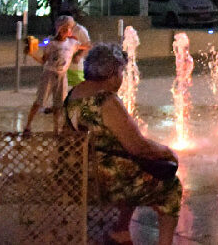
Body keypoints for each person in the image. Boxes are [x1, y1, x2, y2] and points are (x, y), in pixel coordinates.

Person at [66, 44, 181, 245]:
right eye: (121, 72)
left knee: (135, 169)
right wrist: (167, 152)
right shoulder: (106, 100)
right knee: (171, 187)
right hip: (105, 181)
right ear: (111, 73)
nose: (121, 78)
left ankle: (120, 230)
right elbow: (138, 147)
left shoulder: (74, 95)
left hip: (79, 173)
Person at [23, 15, 86, 134]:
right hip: (49, 74)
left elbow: (86, 46)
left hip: (62, 76)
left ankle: (56, 129)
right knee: (40, 101)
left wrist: (79, 54)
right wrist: (32, 54)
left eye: (69, 28)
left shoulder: (72, 43)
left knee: (59, 105)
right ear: (58, 29)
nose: (66, 31)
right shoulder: (51, 43)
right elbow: (43, 60)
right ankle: (28, 126)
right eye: (64, 28)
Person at [66, 14, 92, 88]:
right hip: (66, 64)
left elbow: (88, 45)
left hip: (75, 64)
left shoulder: (80, 30)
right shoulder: (65, 29)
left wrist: (80, 56)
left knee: (78, 84)